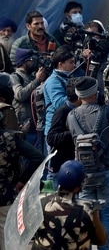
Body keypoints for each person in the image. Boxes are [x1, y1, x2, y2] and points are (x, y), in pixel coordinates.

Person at [66, 76, 109, 250]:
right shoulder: (106, 112)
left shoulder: (71, 116)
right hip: (107, 170)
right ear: (95, 92)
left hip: (83, 174)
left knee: (86, 216)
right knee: (106, 215)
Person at [0, 72, 43, 250]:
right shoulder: (11, 137)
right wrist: (21, 180)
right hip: (6, 195)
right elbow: (37, 157)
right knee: (7, 238)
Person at [32, 160, 107, 250]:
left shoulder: (40, 202)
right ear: (77, 187)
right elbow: (101, 240)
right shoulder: (84, 213)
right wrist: (95, 214)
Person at [46, 78, 81, 186]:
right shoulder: (62, 111)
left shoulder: (77, 110)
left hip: (70, 165)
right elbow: (51, 138)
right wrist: (73, 133)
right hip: (59, 168)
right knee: (54, 199)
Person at [44, 45, 76, 158]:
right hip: (56, 131)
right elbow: (59, 103)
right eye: (71, 62)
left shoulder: (68, 77)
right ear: (60, 64)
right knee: (55, 170)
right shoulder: (53, 81)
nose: (74, 65)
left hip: (66, 129)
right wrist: (78, 96)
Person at [11, 48, 47, 147]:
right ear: (24, 62)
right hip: (25, 127)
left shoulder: (32, 76)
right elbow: (20, 95)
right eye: (31, 60)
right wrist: (37, 80)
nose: (34, 63)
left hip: (38, 126)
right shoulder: (15, 77)